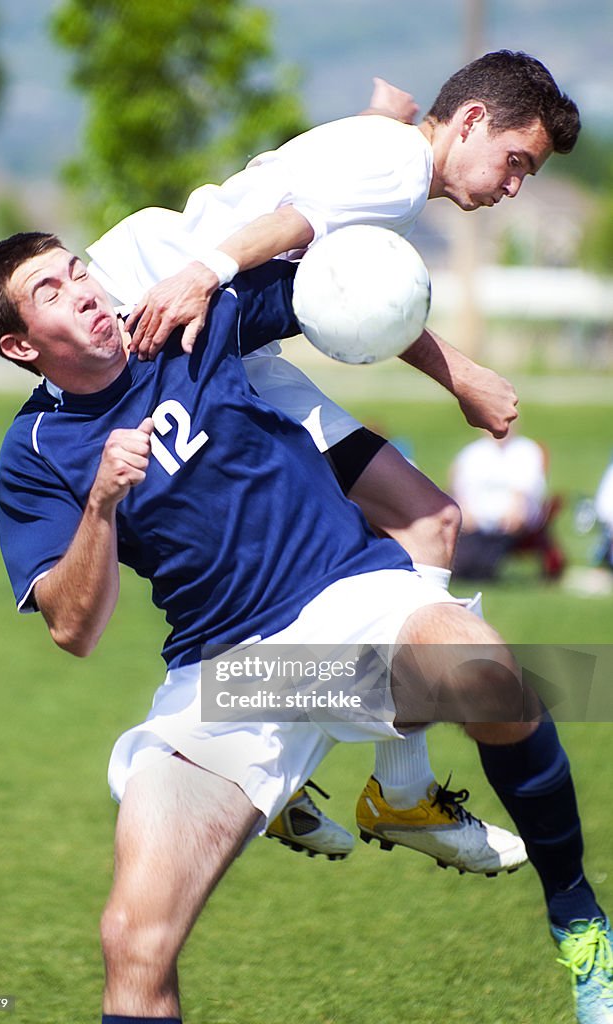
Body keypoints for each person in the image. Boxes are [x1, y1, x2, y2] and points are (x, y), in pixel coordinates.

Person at [0, 231, 612, 1024]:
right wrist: (99, 504)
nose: (86, 291)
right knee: (134, 942)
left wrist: (462, 375)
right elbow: (73, 628)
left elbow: (342, 288)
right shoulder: (34, 452)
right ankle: (381, 789)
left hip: (350, 599)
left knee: (486, 669)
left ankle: (576, 919)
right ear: (20, 344)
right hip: (231, 678)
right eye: (52, 292)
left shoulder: (183, 323)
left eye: (78, 272)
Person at [83, 50, 581, 862]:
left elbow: (328, 249)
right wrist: (199, 276)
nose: (512, 186)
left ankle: (400, 790)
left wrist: (380, 115)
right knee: (267, 569)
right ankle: (215, 752)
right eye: (513, 161)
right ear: (470, 123)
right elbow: (299, 228)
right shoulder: (394, 166)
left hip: (238, 352)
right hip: (168, 333)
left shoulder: (388, 153)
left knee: (429, 522)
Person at [450, 428, 550, 579]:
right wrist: (464, 512)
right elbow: (459, 488)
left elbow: (525, 491)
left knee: (484, 563)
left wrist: (516, 511)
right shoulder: (473, 453)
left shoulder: (526, 451)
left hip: (508, 523)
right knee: (463, 564)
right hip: (476, 521)